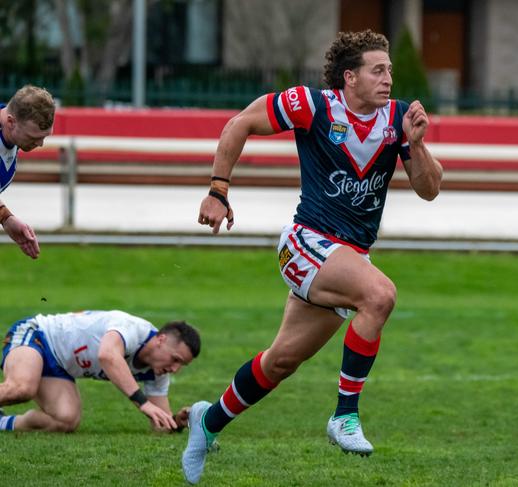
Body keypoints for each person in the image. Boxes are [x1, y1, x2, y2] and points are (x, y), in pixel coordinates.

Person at [182, 30, 443, 483]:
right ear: (350, 78)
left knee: (280, 361)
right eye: (377, 70)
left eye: (390, 71)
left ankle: (207, 422)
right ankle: (345, 416)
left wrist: (416, 145)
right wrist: (217, 190)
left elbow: (430, 190)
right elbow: (240, 123)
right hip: (306, 243)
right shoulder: (313, 105)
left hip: (348, 258)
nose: (388, 79)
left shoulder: (398, 119)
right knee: (380, 295)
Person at [0, 310, 200, 433]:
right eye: (175, 359)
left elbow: (160, 424)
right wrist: (142, 403)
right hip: (38, 335)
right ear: (161, 339)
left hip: (59, 365)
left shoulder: (158, 372)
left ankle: (2, 422)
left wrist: (176, 422)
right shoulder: (131, 328)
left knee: (66, 420)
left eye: (181, 365)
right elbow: (107, 355)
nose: (175, 369)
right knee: (21, 388)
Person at [0, 84, 55, 259]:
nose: (40, 144)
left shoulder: (9, 132)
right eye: (34, 138)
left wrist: (6, 219)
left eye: (44, 137)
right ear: (11, 122)